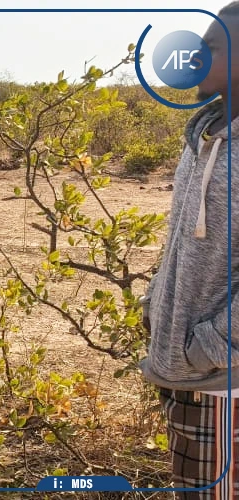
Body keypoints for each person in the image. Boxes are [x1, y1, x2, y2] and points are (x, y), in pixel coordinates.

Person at [143, 3, 239, 497]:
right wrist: (155, 308)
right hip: (190, 368)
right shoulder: (206, 134)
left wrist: (207, 348)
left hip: (224, 380)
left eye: (213, 46)